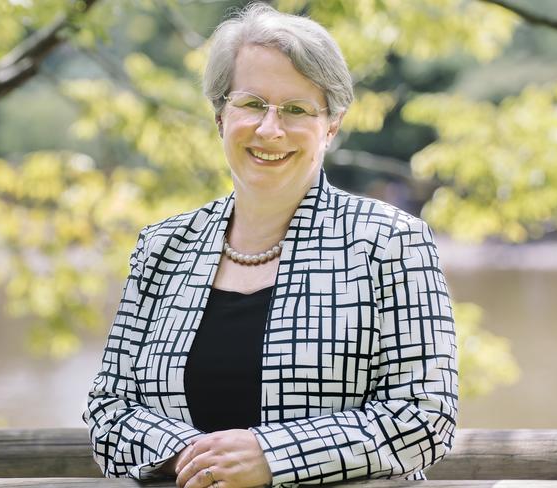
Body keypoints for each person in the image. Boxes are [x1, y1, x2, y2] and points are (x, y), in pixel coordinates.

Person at [82, 3, 458, 487]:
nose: (270, 129)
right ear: (220, 115)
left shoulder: (391, 242)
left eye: (296, 109)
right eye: (252, 104)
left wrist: (272, 456)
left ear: (332, 126)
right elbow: (110, 409)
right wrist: (199, 457)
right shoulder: (162, 247)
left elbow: (426, 418)